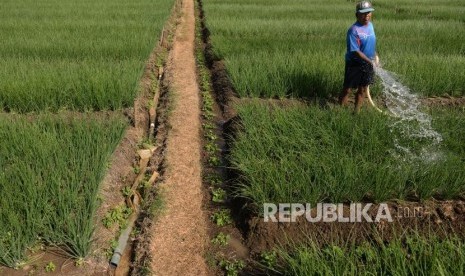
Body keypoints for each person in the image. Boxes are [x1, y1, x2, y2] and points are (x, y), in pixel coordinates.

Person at [339, 1, 379, 113]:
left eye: (368, 13)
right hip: (355, 63)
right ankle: (339, 111)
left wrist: (375, 55)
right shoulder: (353, 30)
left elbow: (370, 44)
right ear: (357, 15)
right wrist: (370, 62)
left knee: (362, 89)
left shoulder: (371, 26)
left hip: (369, 62)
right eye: (363, 13)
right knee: (347, 89)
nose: (366, 16)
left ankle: (356, 112)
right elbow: (356, 51)